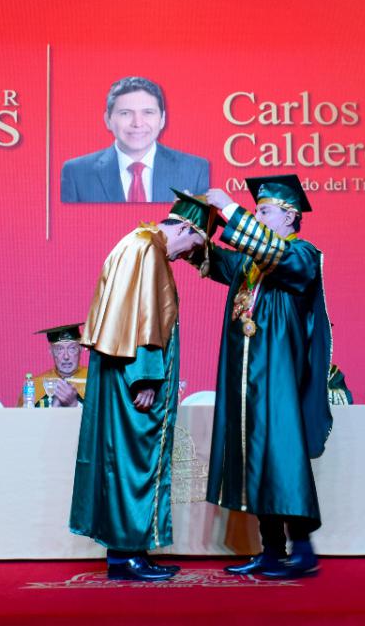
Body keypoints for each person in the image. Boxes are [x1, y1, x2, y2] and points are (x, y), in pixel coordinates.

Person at [68, 190, 216, 581]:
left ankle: (131, 550)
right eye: (193, 244)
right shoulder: (149, 250)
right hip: (133, 379)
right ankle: (126, 555)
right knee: (133, 461)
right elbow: (143, 317)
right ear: (185, 228)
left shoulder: (136, 242)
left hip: (120, 373)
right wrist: (146, 376)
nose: (187, 256)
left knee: (121, 460)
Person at [198, 175, 333, 580]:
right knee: (252, 455)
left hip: (278, 377)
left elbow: (273, 253)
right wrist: (193, 233)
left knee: (282, 455)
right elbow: (219, 259)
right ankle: (271, 550)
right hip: (247, 378)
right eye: (255, 212)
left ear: (289, 217)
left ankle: (303, 550)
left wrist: (230, 208)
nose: (257, 217)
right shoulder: (252, 264)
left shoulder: (302, 254)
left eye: (264, 211)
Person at [61, 76, 209, 203]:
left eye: (148, 112)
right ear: (108, 120)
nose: (137, 123)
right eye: (125, 113)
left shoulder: (195, 169)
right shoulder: (76, 173)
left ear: (162, 119)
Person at [23, 323, 88, 408]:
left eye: (72, 348)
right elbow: (23, 415)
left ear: (80, 349)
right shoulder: (35, 385)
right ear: (51, 351)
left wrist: (75, 405)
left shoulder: (94, 381)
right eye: (59, 349)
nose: (66, 356)